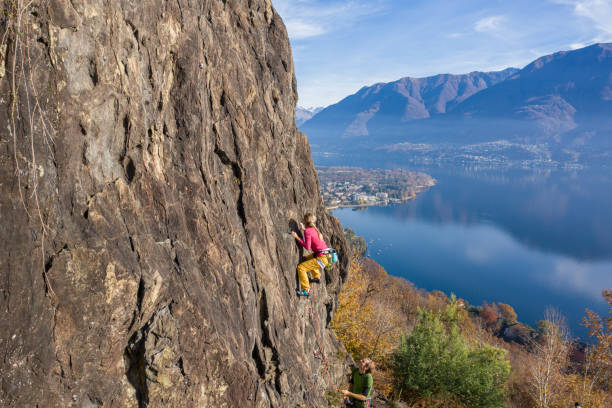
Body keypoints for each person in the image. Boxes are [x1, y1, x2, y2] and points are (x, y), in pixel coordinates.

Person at [291, 213, 330, 296]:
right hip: (325, 256)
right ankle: (317, 277)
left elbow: (307, 247)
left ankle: (306, 290)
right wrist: (304, 229)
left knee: (301, 268)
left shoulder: (307, 231)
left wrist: (297, 237)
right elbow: (311, 234)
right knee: (306, 259)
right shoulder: (315, 229)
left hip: (321, 258)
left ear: (304, 221)